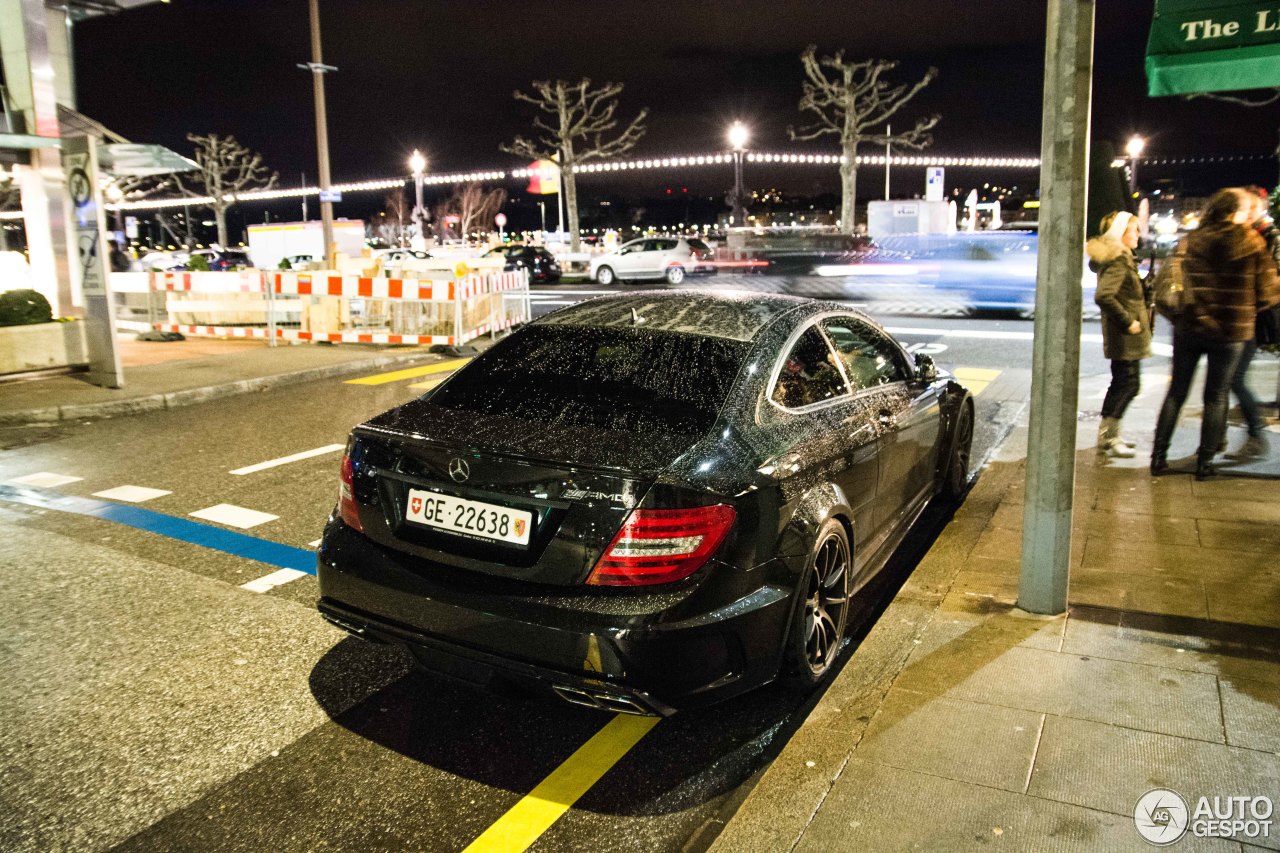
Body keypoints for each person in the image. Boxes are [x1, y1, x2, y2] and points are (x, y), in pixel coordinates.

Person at [1152, 188, 1280, 479]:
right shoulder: (1251, 243)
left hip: (1190, 327)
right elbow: (1269, 294)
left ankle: (1158, 458)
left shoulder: (1192, 240)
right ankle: (1205, 464)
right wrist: (1245, 306)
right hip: (1231, 330)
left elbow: (1173, 280)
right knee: (1216, 395)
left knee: (1176, 393)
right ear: (1234, 212)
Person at [1088, 211, 1151, 459]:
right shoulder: (1118, 259)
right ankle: (1109, 437)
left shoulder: (1122, 257)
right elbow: (1104, 296)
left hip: (1125, 335)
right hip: (1125, 335)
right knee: (1129, 384)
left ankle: (1108, 436)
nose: (1138, 234)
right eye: (1134, 230)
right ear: (1121, 233)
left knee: (1122, 384)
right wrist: (1128, 322)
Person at [1223, 187, 1280, 460]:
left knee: (1231, 378)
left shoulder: (1264, 236)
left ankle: (1255, 435)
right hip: (1242, 318)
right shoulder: (1250, 235)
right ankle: (1222, 437)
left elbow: (1270, 283)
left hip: (1248, 319)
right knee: (1227, 379)